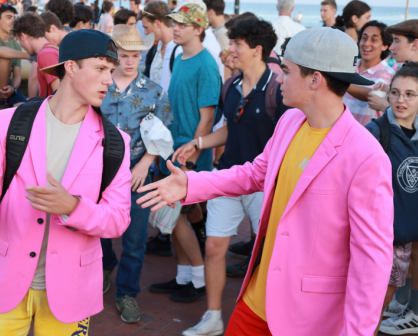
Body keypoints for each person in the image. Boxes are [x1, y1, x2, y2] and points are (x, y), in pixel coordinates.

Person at [138, 27, 394, 336]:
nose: (279, 77)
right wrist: (191, 185)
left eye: (286, 71)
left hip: (308, 318)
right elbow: (256, 173)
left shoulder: (366, 157)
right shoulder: (290, 120)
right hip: (256, 299)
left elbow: (372, 263)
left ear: (315, 79)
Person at [0, 29, 132, 336]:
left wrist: (73, 206)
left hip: (71, 289)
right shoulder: (8, 123)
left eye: (110, 71)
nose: (109, 80)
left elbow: (117, 220)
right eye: (100, 69)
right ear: (71, 67)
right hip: (2, 277)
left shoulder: (116, 144)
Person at [171, 17, 289, 336]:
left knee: (267, 254)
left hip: (264, 185)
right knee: (213, 247)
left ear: (257, 49)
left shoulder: (278, 90)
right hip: (229, 178)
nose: (230, 49)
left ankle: (267, 317)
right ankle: (213, 317)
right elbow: (229, 128)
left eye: (237, 44)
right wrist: (197, 143)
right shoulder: (232, 87)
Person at [147, 3, 220, 304]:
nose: (175, 28)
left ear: (199, 29)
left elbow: (207, 118)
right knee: (176, 219)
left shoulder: (206, 63)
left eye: (182, 24)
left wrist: (190, 155)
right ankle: (183, 276)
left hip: (187, 155)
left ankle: (199, 279)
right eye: (173, 23)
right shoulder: (178, 55)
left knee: (176, 218)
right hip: (171, 149)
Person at [100, 24, 172, 324]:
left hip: (137, 174)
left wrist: (146, 163)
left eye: (135, 55)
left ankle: (126, 292)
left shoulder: (154, 91)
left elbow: (164, 130)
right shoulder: (99, 86)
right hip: (100, 174)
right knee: (98, 231)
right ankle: (105, 264)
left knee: (135, 238)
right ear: (115, 55)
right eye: (124, 55)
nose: (130, 61)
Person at [365, 62, 418, 336]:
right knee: (365, 294)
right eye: (394, 93)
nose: (400, 100)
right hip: (372, 233)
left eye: (409, 94)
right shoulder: (374, 132)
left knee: (385, 295)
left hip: (403, 238)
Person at [370, 20, 418, 126]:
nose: (391, 47)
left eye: (397, 41)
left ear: (415, 44)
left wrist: (383, 106)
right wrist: (391, 93)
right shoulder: (408, 71)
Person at [343, 20, 395, 126]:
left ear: (385, 46)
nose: (367, 44)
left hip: (366, 137)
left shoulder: (388, 73)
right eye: (364, 38)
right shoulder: (347, 65)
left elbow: (372, 94)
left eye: (374, 40)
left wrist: (339, 81)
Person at [12, 13, 60, 98]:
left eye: (18, 39)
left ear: (23, 36)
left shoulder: (45, 54)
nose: (20, 44)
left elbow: (60, 93)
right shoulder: (53, 49)